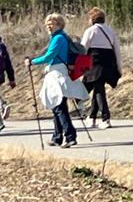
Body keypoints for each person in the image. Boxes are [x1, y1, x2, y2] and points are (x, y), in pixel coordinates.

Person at [27, 14, 88, 149]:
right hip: (59, 73)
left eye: (52, 23)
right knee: (58, 106)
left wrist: (32, 62)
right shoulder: (60, 37)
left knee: (59, 107)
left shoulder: (58, 38)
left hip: (57, 74)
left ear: (59, 24)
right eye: (47, 23)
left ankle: (70, 136)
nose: (48, 25)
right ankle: (57, 137)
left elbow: (49, 56)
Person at [80, 7, 121, 129]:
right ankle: (91, 117)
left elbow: (83, 49)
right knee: (99, 88)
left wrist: (79, 69)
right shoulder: (110, 31)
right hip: (108, 63)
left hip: (94, 63)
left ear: (92, 19)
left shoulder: (90, 31)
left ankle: (105, 118)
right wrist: (119, 67)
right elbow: (117, 50)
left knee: (96, 89)